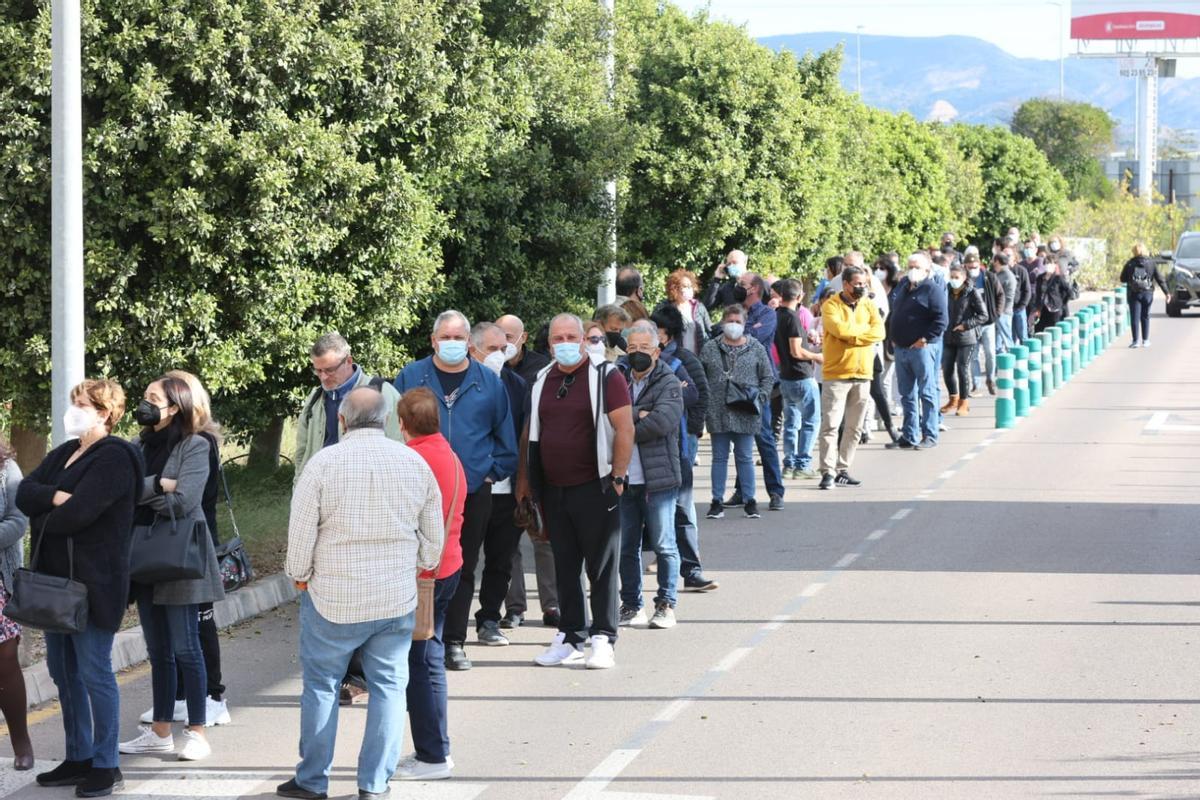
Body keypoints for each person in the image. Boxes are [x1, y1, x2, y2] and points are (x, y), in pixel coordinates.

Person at [280, 388, 444, 800]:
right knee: (389, 687)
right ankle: (374, 784)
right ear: (388, 419)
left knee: (321, 686)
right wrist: (417, 564)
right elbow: (433, 539)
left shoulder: (323, 464)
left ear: (342, 421)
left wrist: (299, 575)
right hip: (395, 598)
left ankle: (312, 780)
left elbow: (300, 533)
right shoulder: (413, 463)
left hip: (333, 597)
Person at [17, 379, 145, 798]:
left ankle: (106, 765)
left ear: (104, 412)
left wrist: (52, 507)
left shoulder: (116, 456)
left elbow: (80, 514)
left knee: (94, 672)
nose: (72, 409)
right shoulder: (65, 453)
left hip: (95, 584)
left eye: (81, 404)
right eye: (73, 402)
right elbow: (23, 493)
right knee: (63, 672)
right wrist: (56, 497)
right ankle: (79, 756)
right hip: (57, 583)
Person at [394, 310, 517, 672]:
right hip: (413, 491)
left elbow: (506, 439)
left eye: (458, 338)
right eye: (444, 338)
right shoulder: (412, 376)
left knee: (461, 565)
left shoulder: (488, 381)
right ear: (433, 341)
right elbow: (393, 428)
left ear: (469, 343)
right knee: (411, 564)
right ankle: (411, 637)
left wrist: (487, 476)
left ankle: (453, 641)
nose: (452, 344)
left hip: (469, 491)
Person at [119, 376, 225, 762]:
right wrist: (158, 485)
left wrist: (149, 493)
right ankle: (161, 731)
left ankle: (196, 730)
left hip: (180, 555)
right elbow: (124, 493)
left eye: (152, 397)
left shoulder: (195, 445)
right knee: (158, 649)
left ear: (175, 405)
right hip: (144, 554)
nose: (144, 403)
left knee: (186, 646)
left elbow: (184, 501)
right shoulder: (137, 445)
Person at [524, 314, 634, 670]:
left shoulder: (607, 377)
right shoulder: (542, 379)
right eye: (558, 338)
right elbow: (534, 433)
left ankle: (603, 637)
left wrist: (617, 478)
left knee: (601, 566)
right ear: (549, 344)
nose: (566, 343)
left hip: (596, 486)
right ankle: (571, 635)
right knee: (565, 566)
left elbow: (625, 428)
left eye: (572, 336)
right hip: (555, 490)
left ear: (586, 340)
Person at [393, 387, 466, 782]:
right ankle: (433, 749)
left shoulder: (412, 460)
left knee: (420, 665)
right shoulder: (449, 454)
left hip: (424, 576)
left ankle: (433, 754)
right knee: (429, 657)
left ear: (402, 424)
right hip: (448, 565)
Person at [617, 321, 686, 629]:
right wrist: (638, 413)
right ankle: (632, 605)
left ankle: (666, 604)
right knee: (626, 546)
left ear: (657, 351)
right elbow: (604, 419)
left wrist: (625, 422)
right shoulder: (617, 379)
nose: (637, 354)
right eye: (632, 348)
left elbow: (662, 422)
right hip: (624, 478)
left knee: (664, 543)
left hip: (658, 480)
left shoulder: (669, 382)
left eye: (644, 348)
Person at [466, 322, 528, 647]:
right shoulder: (459, 386)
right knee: (463, 561)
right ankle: (449, 630)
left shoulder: (517, 385)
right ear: (472, 349)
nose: (499, 355)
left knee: (501, 559)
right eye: (491, 349)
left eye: (503, 349)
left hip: (506, 489)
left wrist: (524, 484)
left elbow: (525, 435)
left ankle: (489, 618)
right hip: (470, 488)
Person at [495, 319, 559, 629]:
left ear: (523, 338)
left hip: (536, 466)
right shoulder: (488, 373)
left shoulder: (541, 369)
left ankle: (552, 605)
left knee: (543, 538)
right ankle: (515, 608)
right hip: (502, 469)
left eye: (509, 337)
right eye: (498, 338)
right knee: (508, 545)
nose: (504, 343)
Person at [650, 305, 717, 591]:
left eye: (657, 332)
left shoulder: (684, 360)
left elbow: (699, 395)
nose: (653, 338)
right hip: (646, 446)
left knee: (683, 508)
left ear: (669, 335)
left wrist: (693, 431)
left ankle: (691, 569)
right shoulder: (637, 362)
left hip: (679, 443)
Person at [699, 304, 774, 519]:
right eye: (730, 321)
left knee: (745, 457)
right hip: (718, 410)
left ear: (745, 324)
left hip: (746, 410)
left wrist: (760, 398)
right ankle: (716, 501)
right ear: (723, 323)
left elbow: (768, 377)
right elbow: (701, 377)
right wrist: (705, 402)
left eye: (738, 322)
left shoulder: (756, 347)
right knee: (719, 457)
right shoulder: (710, 348)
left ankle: (750, 500)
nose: (733, 325)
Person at [294, 333, 402, 481]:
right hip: (321, 490)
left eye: (330, 370)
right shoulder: (315, 397)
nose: (323, 377)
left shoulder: (382, 392)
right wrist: (299, 485)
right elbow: (301, 451)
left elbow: (400, 447)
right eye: (318, 370)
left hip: (366, 491)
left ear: (348, 361)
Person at [817, 266, 885, 490]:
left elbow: (880, 332)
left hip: (863, 373)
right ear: (845, 284)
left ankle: (843, 468)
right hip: (837, 374)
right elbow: (839, 330)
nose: (861, 287)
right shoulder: (831, 305)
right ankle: (827, 471)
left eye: (864, 283)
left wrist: (854, 336)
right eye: (857, 283)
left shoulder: (868, 304)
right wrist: (862, 335)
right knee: (831, 426)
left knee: (855, 427)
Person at [726, 271, 785, 511]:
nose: (738, 287)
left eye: (743, 284)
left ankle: (775, 491)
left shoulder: (768, 314)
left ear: (755, 289)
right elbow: (721, 335)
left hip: (759, 383)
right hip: (735, 380)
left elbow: (753, 339)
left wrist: (738, 331)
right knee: (740, 438)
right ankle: (743, 491)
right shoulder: (734, 312)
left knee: (763, 437)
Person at [885, 254, 948, 451]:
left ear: (927, 270)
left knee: (926, 391)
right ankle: (909, 434)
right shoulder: (903, 287)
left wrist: (925, 339)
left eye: (917, 267)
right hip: (902, 348)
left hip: (922, 348)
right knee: (907, 394)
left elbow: (941, 320)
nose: (913, 269)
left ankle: (929, 433)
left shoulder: (932, 289)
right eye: (910, 266)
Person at [0, 436, 33, 771]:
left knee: (5, 660)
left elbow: (17, 521)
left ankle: (21, 741)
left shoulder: (6, 468)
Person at [772, 279, 824, 478]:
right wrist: (816, 356)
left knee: (791, 422)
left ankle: (789, 463)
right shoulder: (792, 318)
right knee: (811, 421)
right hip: (801, 375)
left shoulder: (776, 315)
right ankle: (803, 464)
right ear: (800, 296)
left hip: (785, 375)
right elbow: (796, 351)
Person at [940, 263, 989, 417]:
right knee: (947, 369)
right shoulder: (945, 291)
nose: (954, 280)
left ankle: (964, 402)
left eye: (957, 277)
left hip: (967, 337)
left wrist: (966, 325)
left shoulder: (971, 292)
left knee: (962, 368)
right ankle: (952, 398)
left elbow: (983, 315)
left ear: (964, 278)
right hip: (948, 336)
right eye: (952, 277)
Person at [1120, 242, 1171, 348]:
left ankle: (1135, 341)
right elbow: (1160, 279)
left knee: (1134, 317)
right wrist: (1167, 293)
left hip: (1133, 294)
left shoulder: (1129, 263)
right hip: (1148, 293)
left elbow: (1122, 278)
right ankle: (1146, 340)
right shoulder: (1151, 263)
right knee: (1145, 316)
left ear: (1134, 251)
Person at [966, 253, 1002, 396]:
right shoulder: (964, 280)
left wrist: (997, 313)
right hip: (972, 324)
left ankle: (990, 379)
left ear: (979, 264)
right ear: (966, 266)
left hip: (988, 322)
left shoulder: (989, 277)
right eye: (970, 266)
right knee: (973, 356)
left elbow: (1000, 295)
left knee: (990, 353)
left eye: (975, 266)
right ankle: (976, 384)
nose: (973, 268)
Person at [662, 269, 712, 354]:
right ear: (674, 288)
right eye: (685, 286)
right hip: (676, 358)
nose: (689, 289)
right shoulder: (665, 309)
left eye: (690, 286)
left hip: (699, 357)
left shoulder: (699, 307)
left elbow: (710, 329)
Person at [1032, 259, 1073, 333]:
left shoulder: (1058, 278)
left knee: (1054, 331)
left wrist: (1061, 302)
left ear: (1055, 265)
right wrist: (1037, 308)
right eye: (1046, 263)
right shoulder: (1040, 278)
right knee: (1039, 330)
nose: (1048, 265)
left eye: (1050, 263)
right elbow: (1038, 294)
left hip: (1055, 309)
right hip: (1042, 308)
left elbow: (1068, 292)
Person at [990, 250, 1018, 353]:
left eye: (993, 260)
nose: (992, 263)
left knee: (1007, 340)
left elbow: (1006, 297)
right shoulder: (1000, 274)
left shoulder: (1006, 276)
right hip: (999, 311)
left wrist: (999, 310)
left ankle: (1013, 362)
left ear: (997, 261)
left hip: (1003, 312)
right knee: (998, 341)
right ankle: (1001, 366)